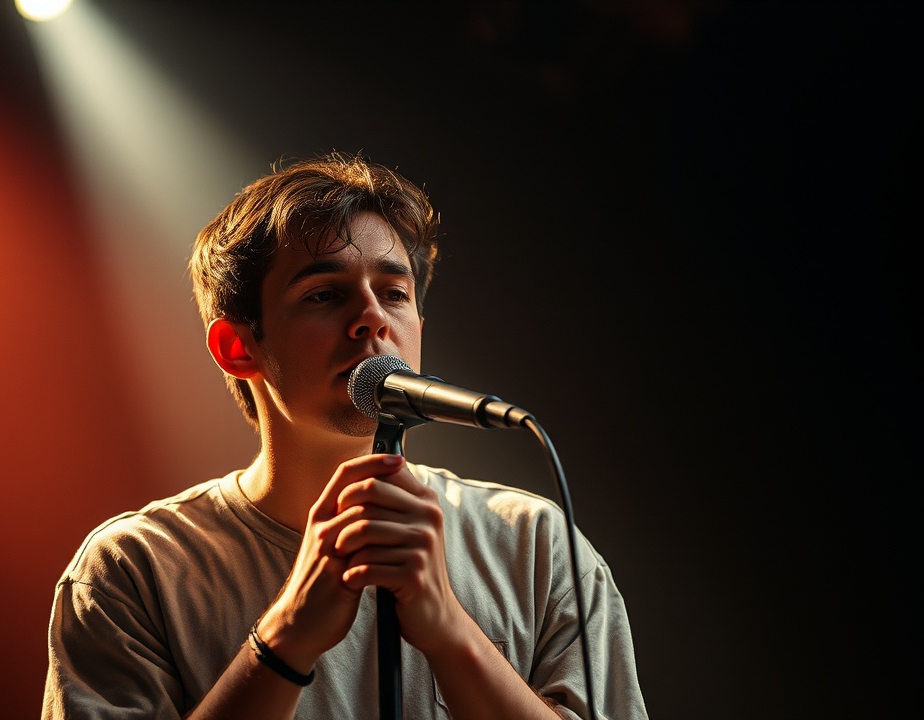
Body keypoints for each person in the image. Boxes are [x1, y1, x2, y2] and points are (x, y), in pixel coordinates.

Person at [41, 153, 647, 719]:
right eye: (324, 294)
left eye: (395, 294)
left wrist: (449, 630)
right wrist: (287, 635)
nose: (373, 320)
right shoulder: (132, 570)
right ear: (238, 346)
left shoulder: (538, 546)